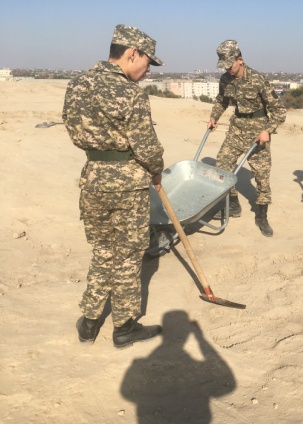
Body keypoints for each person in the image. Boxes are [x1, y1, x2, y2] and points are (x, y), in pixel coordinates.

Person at [63, 24, 166, 347]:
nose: (148, 70)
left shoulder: (78, 84)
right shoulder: (131, 93)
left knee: (103, 249)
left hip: (93, 179)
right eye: (147, 62)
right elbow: (147, 147)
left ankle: (90, 321)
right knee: (128, 255)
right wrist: (157, 170)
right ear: (131, 53)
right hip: (128, 185)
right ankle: (124, 326)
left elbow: (72, 128)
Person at [208, 40, 286, 237]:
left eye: (230, 65)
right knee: (222, 164)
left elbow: (278, 110)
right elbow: (222, 100)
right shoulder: (226, 80)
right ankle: (233, 205)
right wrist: (214, 117)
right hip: (236, 128)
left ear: (240, 60)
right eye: (224, 66)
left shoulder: (258, 79)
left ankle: (262, 215)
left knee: (261, 174)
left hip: (258, 131)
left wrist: (267, 130)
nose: (227, 69)